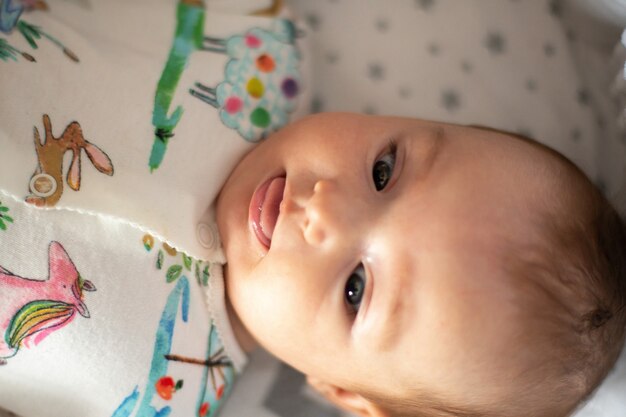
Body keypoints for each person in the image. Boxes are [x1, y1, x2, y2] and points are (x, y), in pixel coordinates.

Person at [216, 112, 626, 417]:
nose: (326, 210)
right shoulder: (261, 60)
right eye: (383, 171)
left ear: (343, 392)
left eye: (355, 290)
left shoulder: (171, 384)